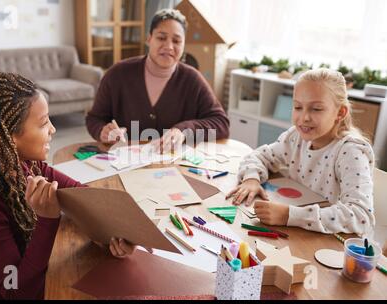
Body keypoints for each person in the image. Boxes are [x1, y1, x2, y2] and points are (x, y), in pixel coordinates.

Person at [0, 73, 137, 300]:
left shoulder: (29, 166)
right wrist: (47, 219)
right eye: (43, 122)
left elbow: (82, 196)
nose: (53, 129)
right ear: (8, 137)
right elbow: (17, 290)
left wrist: (115, 234)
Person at [227, 69, 375, 235]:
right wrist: (251, 179)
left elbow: (361, 216)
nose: (304, 117)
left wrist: (288, 215)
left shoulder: (350, 151)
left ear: (340, 113)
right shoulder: (295, 138)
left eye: (316, 109)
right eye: (298, 107)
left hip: (332, 245)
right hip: (297, 234)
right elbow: (259, 155)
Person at [86, 8, 230, 153]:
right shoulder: (117, 74)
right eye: (161, 38)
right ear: (149, 39)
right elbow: (94, 119)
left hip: (174, 168)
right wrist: (102, 131)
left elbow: (221, 122)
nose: (168, 46)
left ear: (183, 45)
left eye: (176, 41)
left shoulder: (193, 80)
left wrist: (183, 131)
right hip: (123, 164)